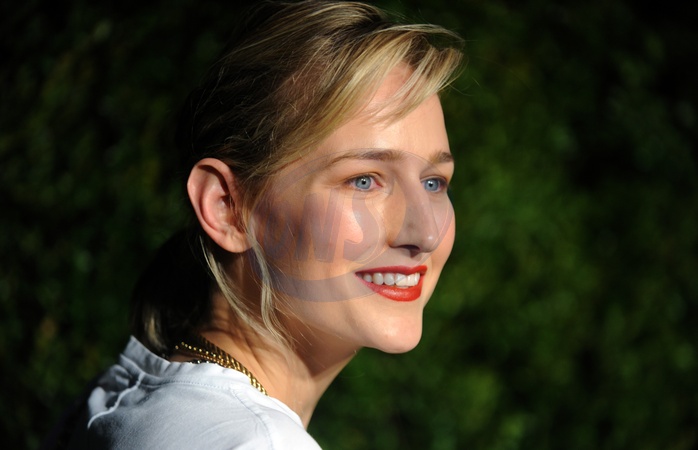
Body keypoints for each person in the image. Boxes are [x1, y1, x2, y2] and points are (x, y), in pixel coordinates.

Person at [64, 0, 463, 447]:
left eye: (433, 182)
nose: (427, 233)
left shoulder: (116, 400)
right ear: (227, 208)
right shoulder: (256, 440)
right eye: (364, 180)